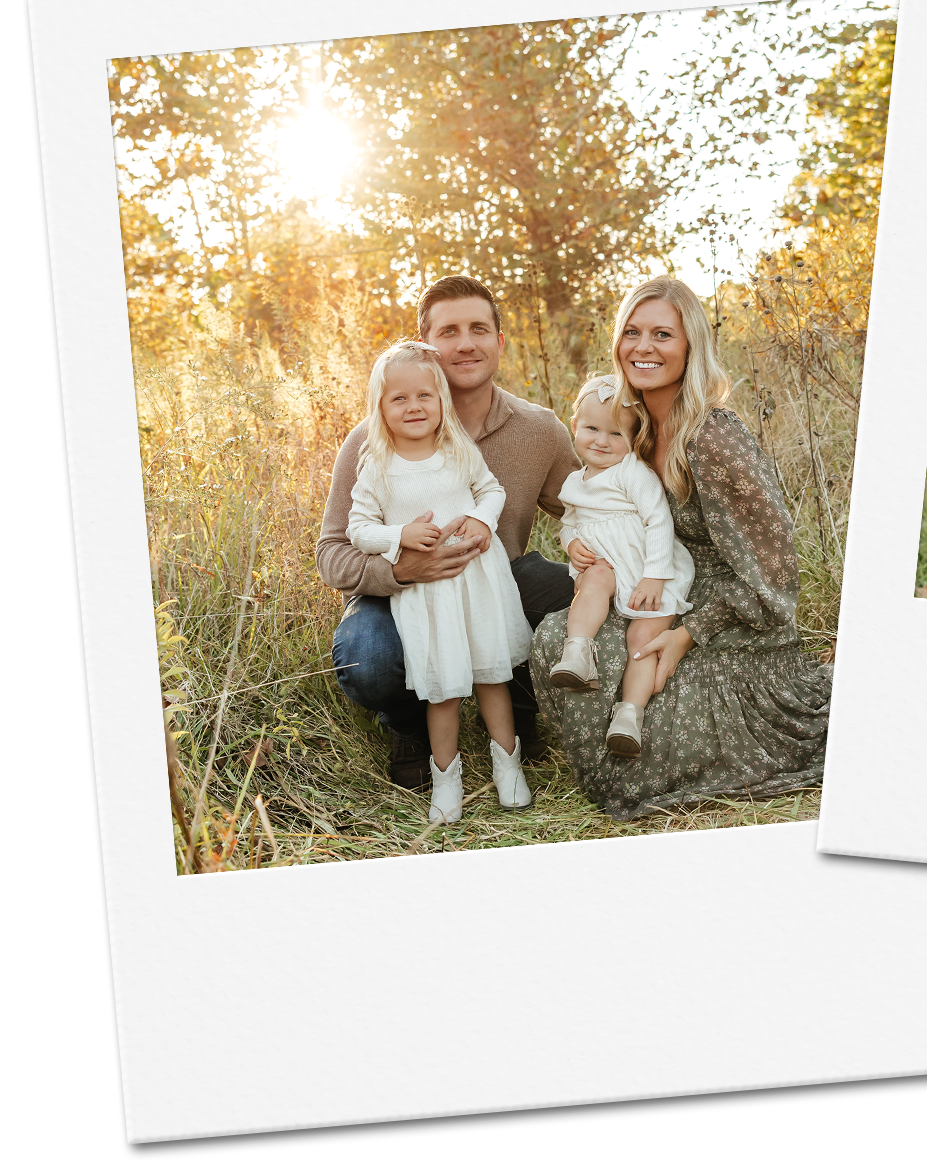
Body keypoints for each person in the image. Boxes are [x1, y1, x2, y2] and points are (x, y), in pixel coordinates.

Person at [528, 277, 831, 817]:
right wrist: (577, 545)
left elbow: (774, 575)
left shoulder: (712, 438)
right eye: (632, 333)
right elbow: (592, 505)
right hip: (657, 591)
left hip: (728, 624)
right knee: (560, 637)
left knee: (644, 702)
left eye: (662, 334)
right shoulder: (634, 428)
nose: (643, 348)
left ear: (690, 345)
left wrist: (689, 634)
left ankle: (637, 762)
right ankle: (615, 754)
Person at [317, 276, 578, 791]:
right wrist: (398, 567)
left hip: (489, 581)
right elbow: (332, 551)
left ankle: (524, 700)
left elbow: (582, 507)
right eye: (449, 331)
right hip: (400, 595)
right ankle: (411, 726)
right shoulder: (373, 441)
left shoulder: (538, 428)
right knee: (365, 657)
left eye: (479, 328)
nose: (465, 343)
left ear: (499, 342)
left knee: (572, 588)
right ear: (426, 348)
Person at [346, 339, 534, 821]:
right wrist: (399, 535)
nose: (414, 407)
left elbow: (491, 490)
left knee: (493, 675)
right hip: (426, 596)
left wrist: (481, 520)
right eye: (399, 398)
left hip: (477, 584)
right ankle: (446, 779)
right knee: (443, 688)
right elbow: (358, 529)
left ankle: (507, 768)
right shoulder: (377, 466)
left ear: (441, 399)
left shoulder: (456, 448)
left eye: (424, 396)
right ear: (380, 408)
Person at [546, 374, 697, 759]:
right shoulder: (574, 482)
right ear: (574, 427)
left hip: (647, 567)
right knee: (592, 580)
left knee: (641, 642)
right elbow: (569, 523)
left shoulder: (633, 472)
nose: (600, 440)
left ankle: (630, 714)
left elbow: (659, 520)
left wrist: (655, 575)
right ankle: (577, 652)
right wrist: (573, 543)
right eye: (591, 428)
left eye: (615, 434)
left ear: (633, 440)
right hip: (608, 565)